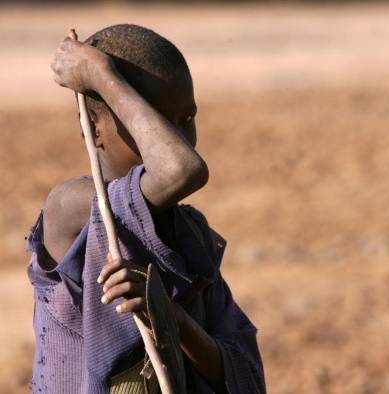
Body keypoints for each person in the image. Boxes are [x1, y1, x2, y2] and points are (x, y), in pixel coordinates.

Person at [26, 24, 265, 394]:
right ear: (93, 126)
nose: (179, 140)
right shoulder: (71, 207)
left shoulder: (189, 233)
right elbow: (182, 169)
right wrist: (98, 75)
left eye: (186, 120)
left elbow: (239, 373)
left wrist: (174, 320)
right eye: (155, 121)